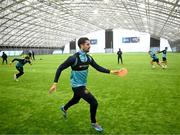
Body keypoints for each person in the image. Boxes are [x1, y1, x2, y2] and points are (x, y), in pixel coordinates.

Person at [49, 37, 119, 132]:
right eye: (88, 44)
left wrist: (112, 72)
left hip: (82, 85)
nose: (90, 46)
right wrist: (55, 83)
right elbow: (60, 68)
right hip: (77, 86)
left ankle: (64, 108)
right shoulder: (73, 58)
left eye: (89, 44)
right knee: (94, 102)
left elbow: (98, 67)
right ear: (81, 45)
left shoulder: (88, 58)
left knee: (76, 100)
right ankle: (94, 123)